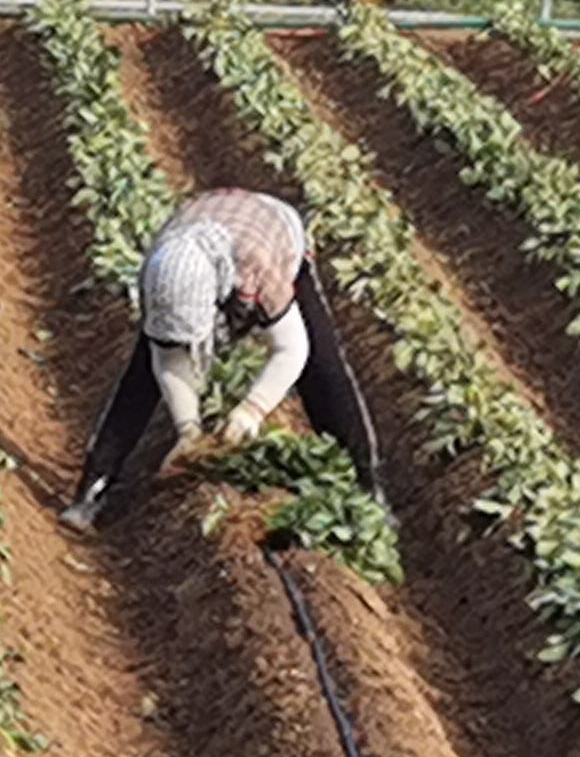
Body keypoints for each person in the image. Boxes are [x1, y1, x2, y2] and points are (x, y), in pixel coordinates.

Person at [60, 187, 383, 530]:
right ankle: (94, 487)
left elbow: (291, 349)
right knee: (141, 376)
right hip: (198, 225)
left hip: (274, 231)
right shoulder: (161, 270)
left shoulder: (259, 269)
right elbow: (166, 357)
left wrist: (251, 410)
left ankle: (365, 490)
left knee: (323, 370)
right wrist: (189, 429)